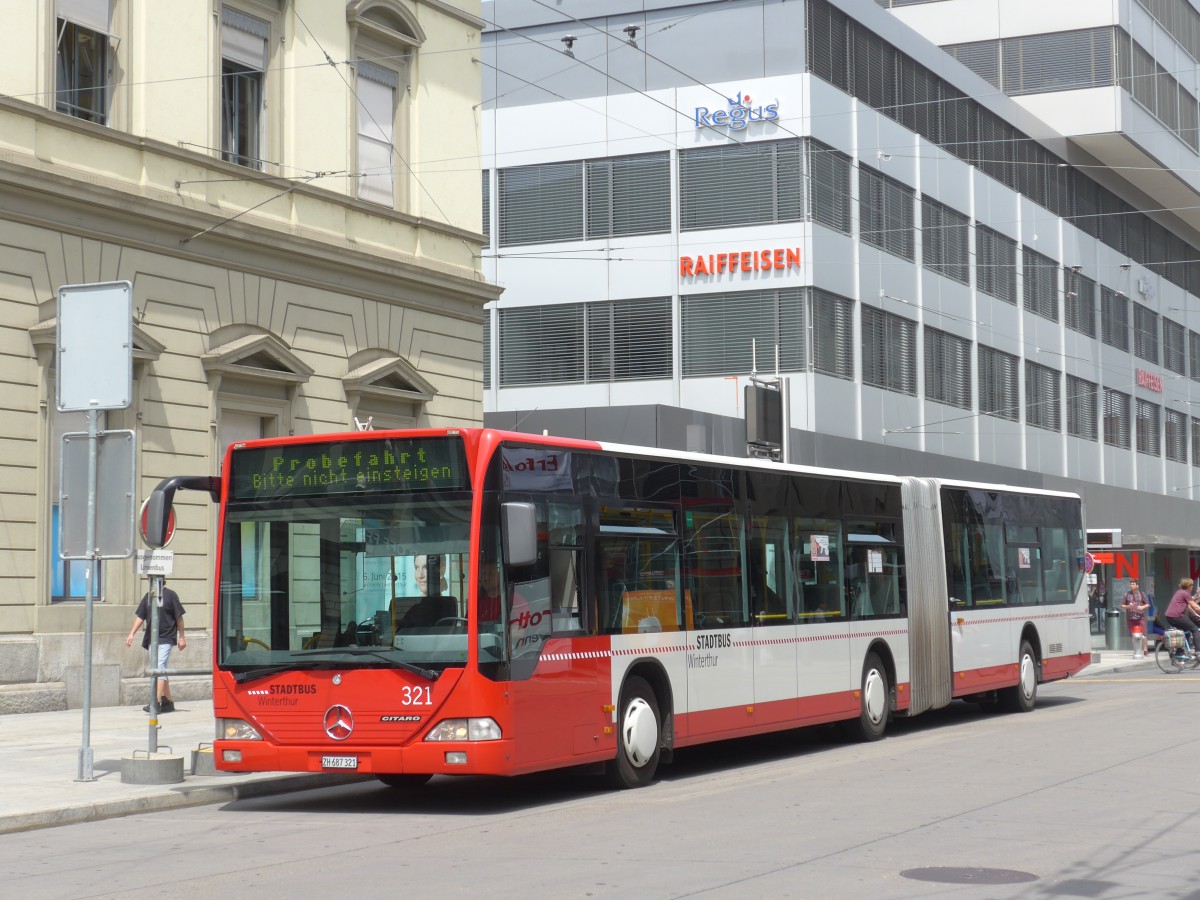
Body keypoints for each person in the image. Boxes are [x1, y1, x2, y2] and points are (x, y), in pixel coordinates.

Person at [125, 579, 186, 712]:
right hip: (152, 638)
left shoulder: (171, 595)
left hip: (167, 637)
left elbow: (179, 618)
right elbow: (140, 616)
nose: (150, 581)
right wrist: (131, 634)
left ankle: (155, 702)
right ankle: (168, 702)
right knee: (160, 668)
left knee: (159, 667)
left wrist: (182, 637)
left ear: (160, 580)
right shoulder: (148, 596)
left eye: (152, 579)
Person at [1163, 578, 1200, 657]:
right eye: (1192, 585)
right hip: (1177, 616)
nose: (1193, 587)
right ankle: (1198, 652)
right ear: (1188, 586)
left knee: (1184, 632)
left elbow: (1188, 607)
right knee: (1195, 630)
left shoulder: (1179, 592)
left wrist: (1195, 614)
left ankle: (1179, 652)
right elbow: (1195, 606)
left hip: (1169, 617)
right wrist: (1196, 610)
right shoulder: (1185, 594)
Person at [1121, 580, 1150, 659]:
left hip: (1140, 617)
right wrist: (1128, 606)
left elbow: (1147, 604)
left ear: (1137, 585)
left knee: (1144, 634)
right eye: (1130, 584)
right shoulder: (1126, 594)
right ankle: (1136, 650)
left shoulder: (1142, 594)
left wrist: (1142, 607)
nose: (1131, 586)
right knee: (1133, 635)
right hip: (1130, 617)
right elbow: (1122, 605)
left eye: (1133, 584)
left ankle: (1145, 650)